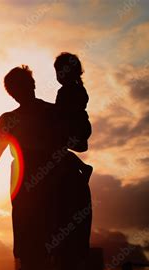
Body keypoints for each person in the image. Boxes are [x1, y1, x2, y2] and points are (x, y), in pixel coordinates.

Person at [0, 65, 62, 270]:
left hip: (42, 182)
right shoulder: (48, 113)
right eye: (17, 88)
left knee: (39, 238)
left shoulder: (47, 113)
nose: (21, 92)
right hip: (33, 183)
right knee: (35, 239)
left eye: (21, 87)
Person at [54, 52, 93, 183]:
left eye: (59, 72)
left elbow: (59, 112)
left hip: (75, 127)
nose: (58, 76)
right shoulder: (80, 89)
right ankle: (82, 167)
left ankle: (83, 167)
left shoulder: (65, 91)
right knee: (59, 150)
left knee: (56, 149)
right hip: (83, 126)